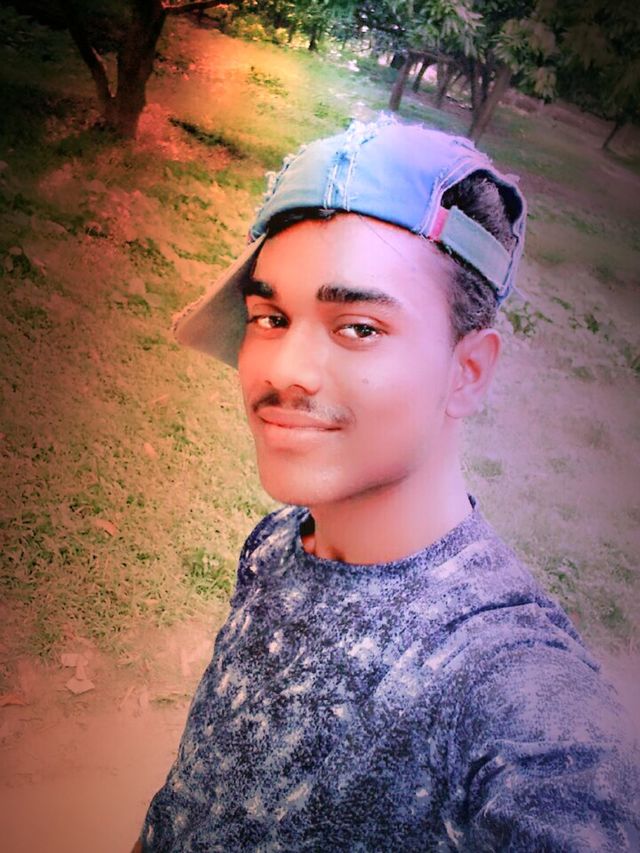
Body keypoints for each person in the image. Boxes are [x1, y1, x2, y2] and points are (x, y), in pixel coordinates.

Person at [134, 115, 639, 851]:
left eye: (359, 328)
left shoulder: (519, 697)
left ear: (468, 371)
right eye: (269, 318)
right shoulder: (279, 542)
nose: (284, 370)